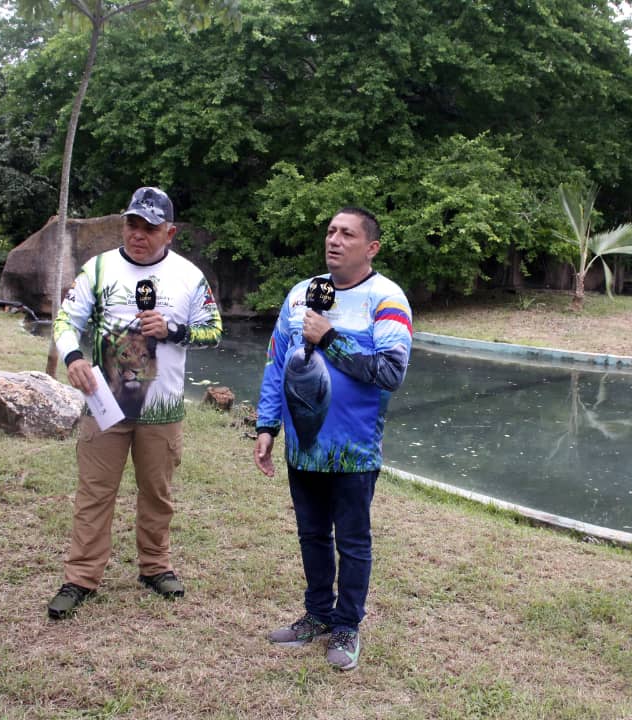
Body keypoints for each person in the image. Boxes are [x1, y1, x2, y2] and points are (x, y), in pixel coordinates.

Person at [47, 186, 222, 620]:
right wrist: (72, 357)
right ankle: (81, 577)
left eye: (150, 227)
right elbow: (67, 321)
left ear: (170, 232)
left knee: (157, 492)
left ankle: (155, 566)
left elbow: (214, 330)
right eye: (132, 224)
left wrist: (174, 330)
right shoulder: (99, 268)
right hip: (105, 404)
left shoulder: (189, 277)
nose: (138, 234)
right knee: (94, 492)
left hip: (162, 409)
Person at [253, 206, 412, 671]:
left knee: (353, 541)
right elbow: (275, 362)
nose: (335, 240)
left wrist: (330, 338)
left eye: (347, 233)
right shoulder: (302, 295)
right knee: (312, 535)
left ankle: (347, 626)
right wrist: (267, 425)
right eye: (330, 231)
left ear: (371, 247)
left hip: (355, 451)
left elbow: (389, 373)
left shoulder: (387, 299)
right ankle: (318, 614)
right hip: (302, 446)